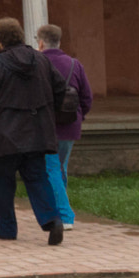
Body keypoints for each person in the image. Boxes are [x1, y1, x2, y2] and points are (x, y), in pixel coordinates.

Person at [0, 16, 71, 246]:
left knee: (2, 182)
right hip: (37, 133)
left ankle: (6, 229)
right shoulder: (40, 60)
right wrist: (51, 114)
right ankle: (53, 220)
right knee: (38, 178)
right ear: (21, 35)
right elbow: (61, 89)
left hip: (5, 136)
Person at [35, 23, 93, 230]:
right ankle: (58, 208)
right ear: (59, 41)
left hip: (46, 125)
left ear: (41, 42)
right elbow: (87, 97)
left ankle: (64, 215)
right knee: (60, 168)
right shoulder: (74, 64)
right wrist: (77, 116)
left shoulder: (37, 63)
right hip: (70, 125)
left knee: (51, 169)